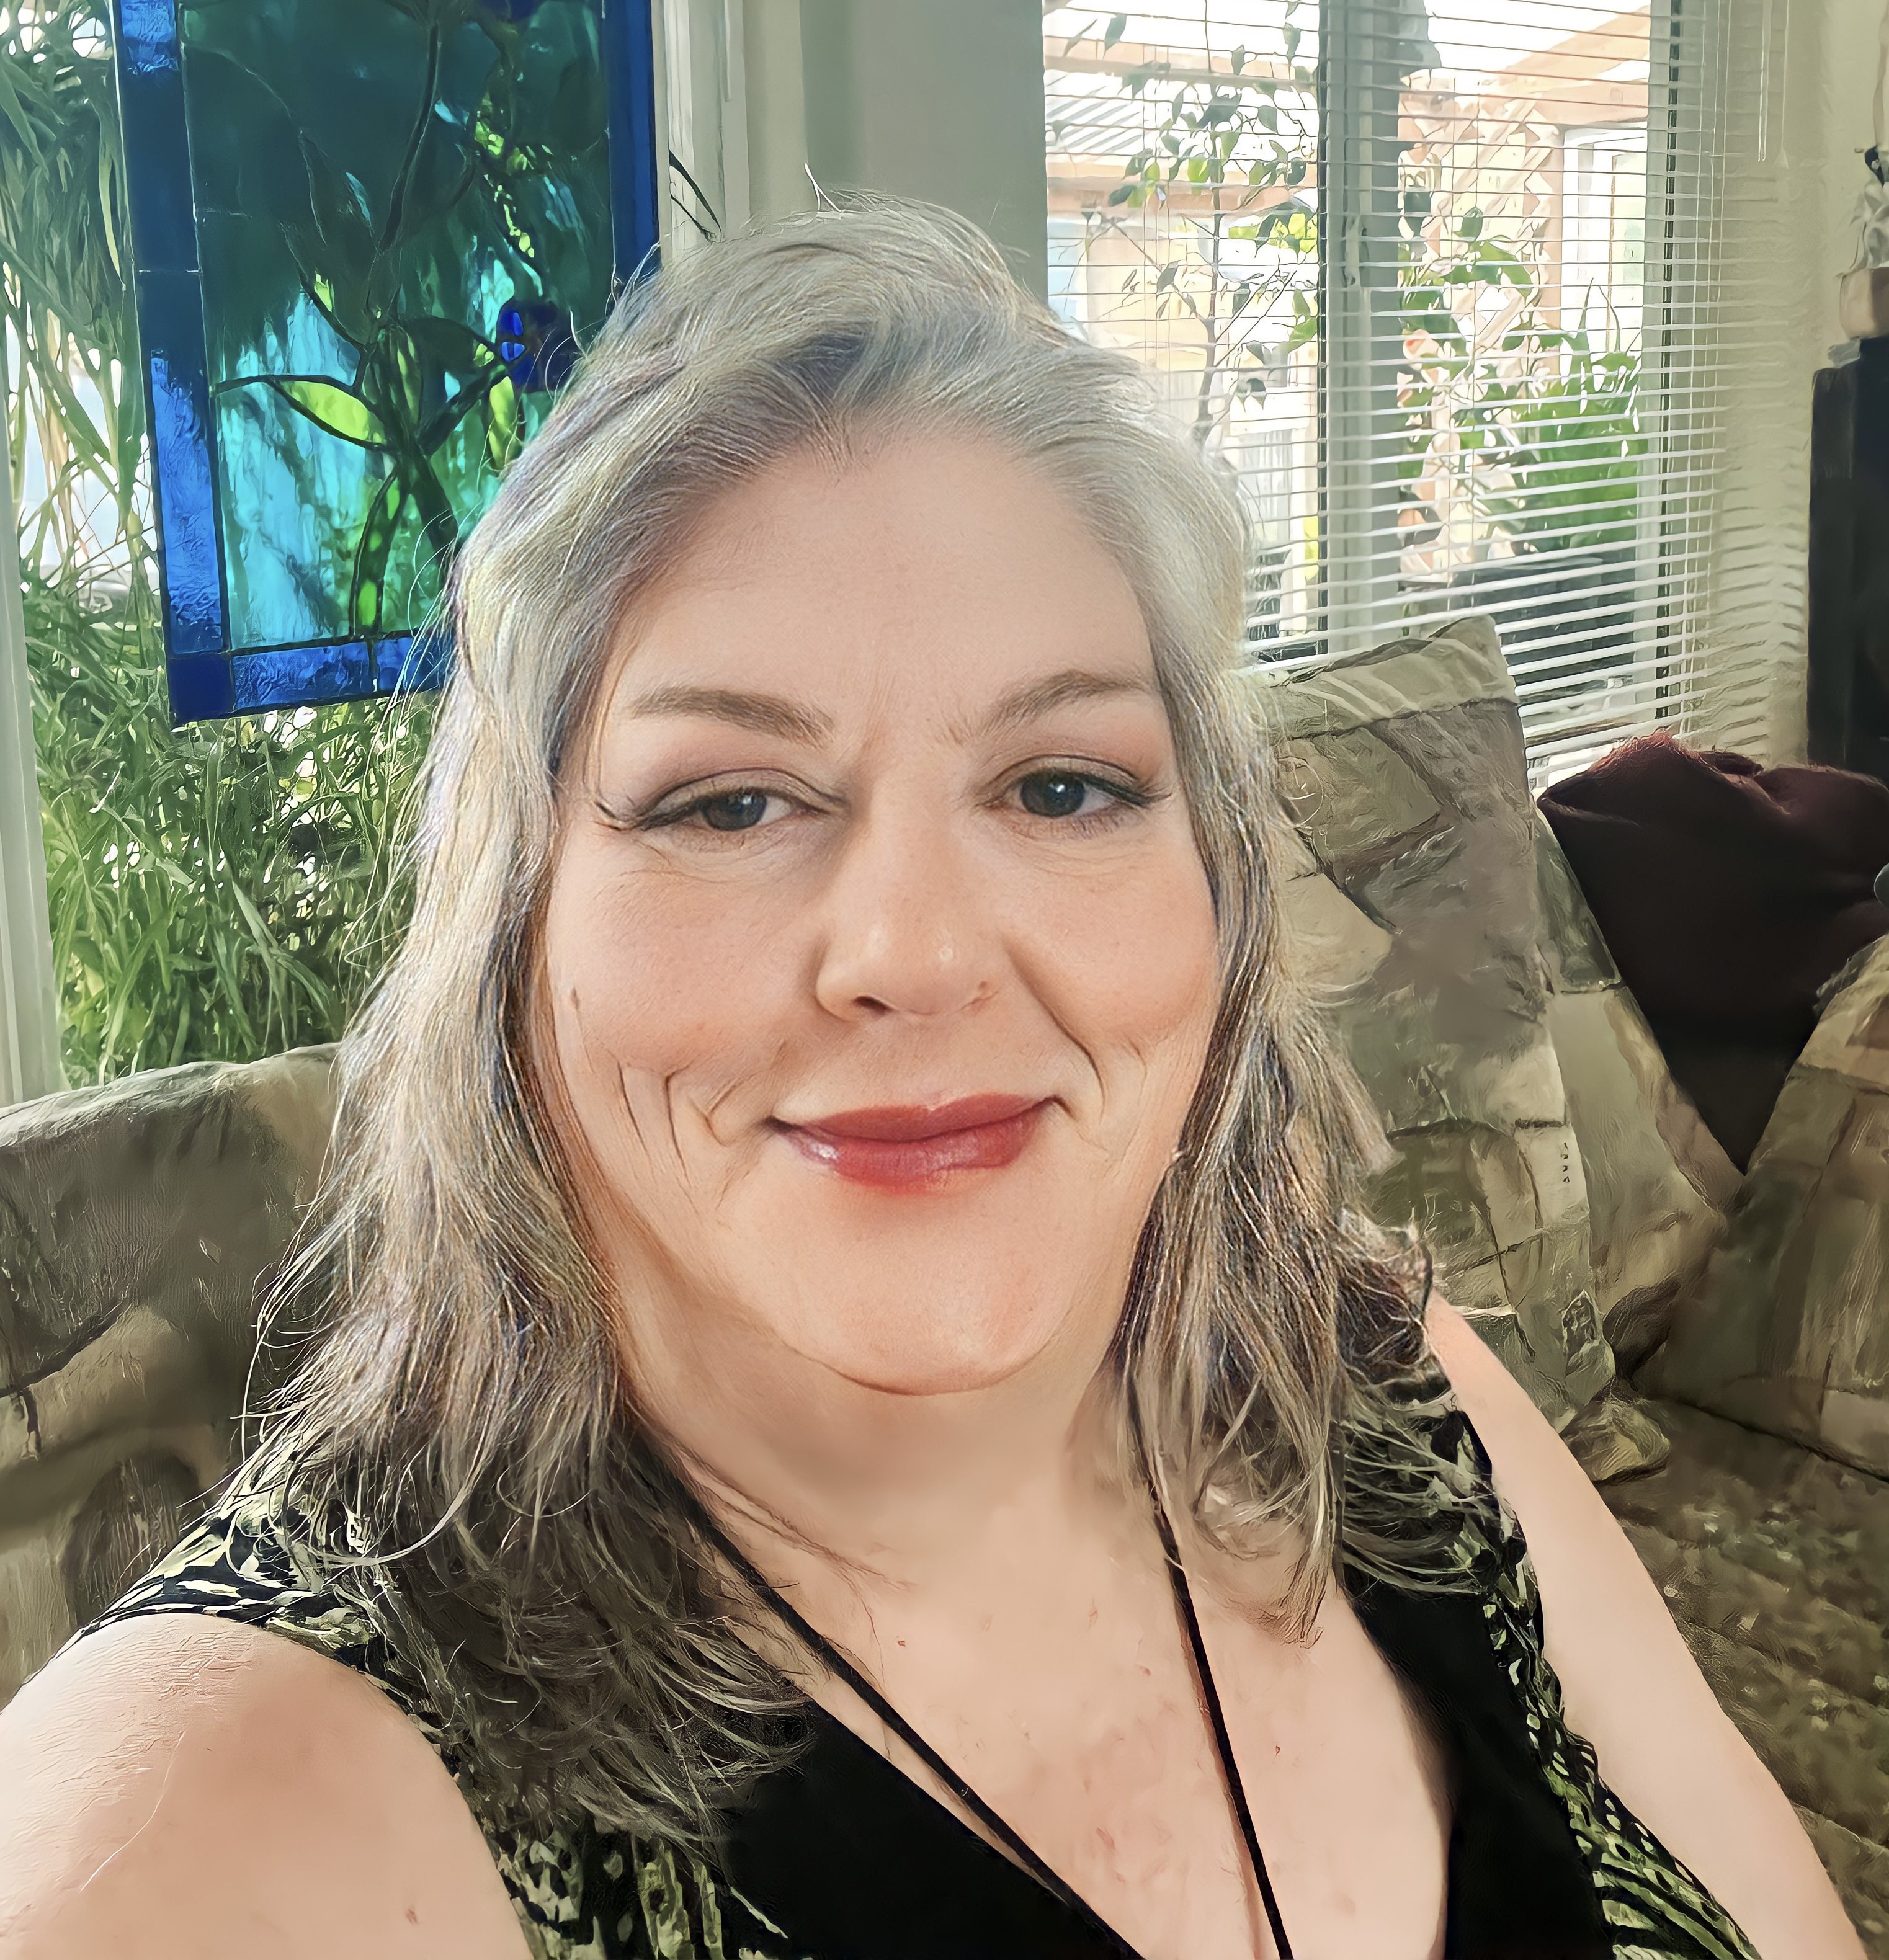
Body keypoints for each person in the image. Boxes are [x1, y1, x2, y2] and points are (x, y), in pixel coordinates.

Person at [0, 203, 1859, 1960]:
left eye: (1064, 785)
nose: (917, 950)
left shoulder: (1387, 1388)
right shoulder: (198, 1822)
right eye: (730, 803)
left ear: (1217, 891)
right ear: (516, 937)